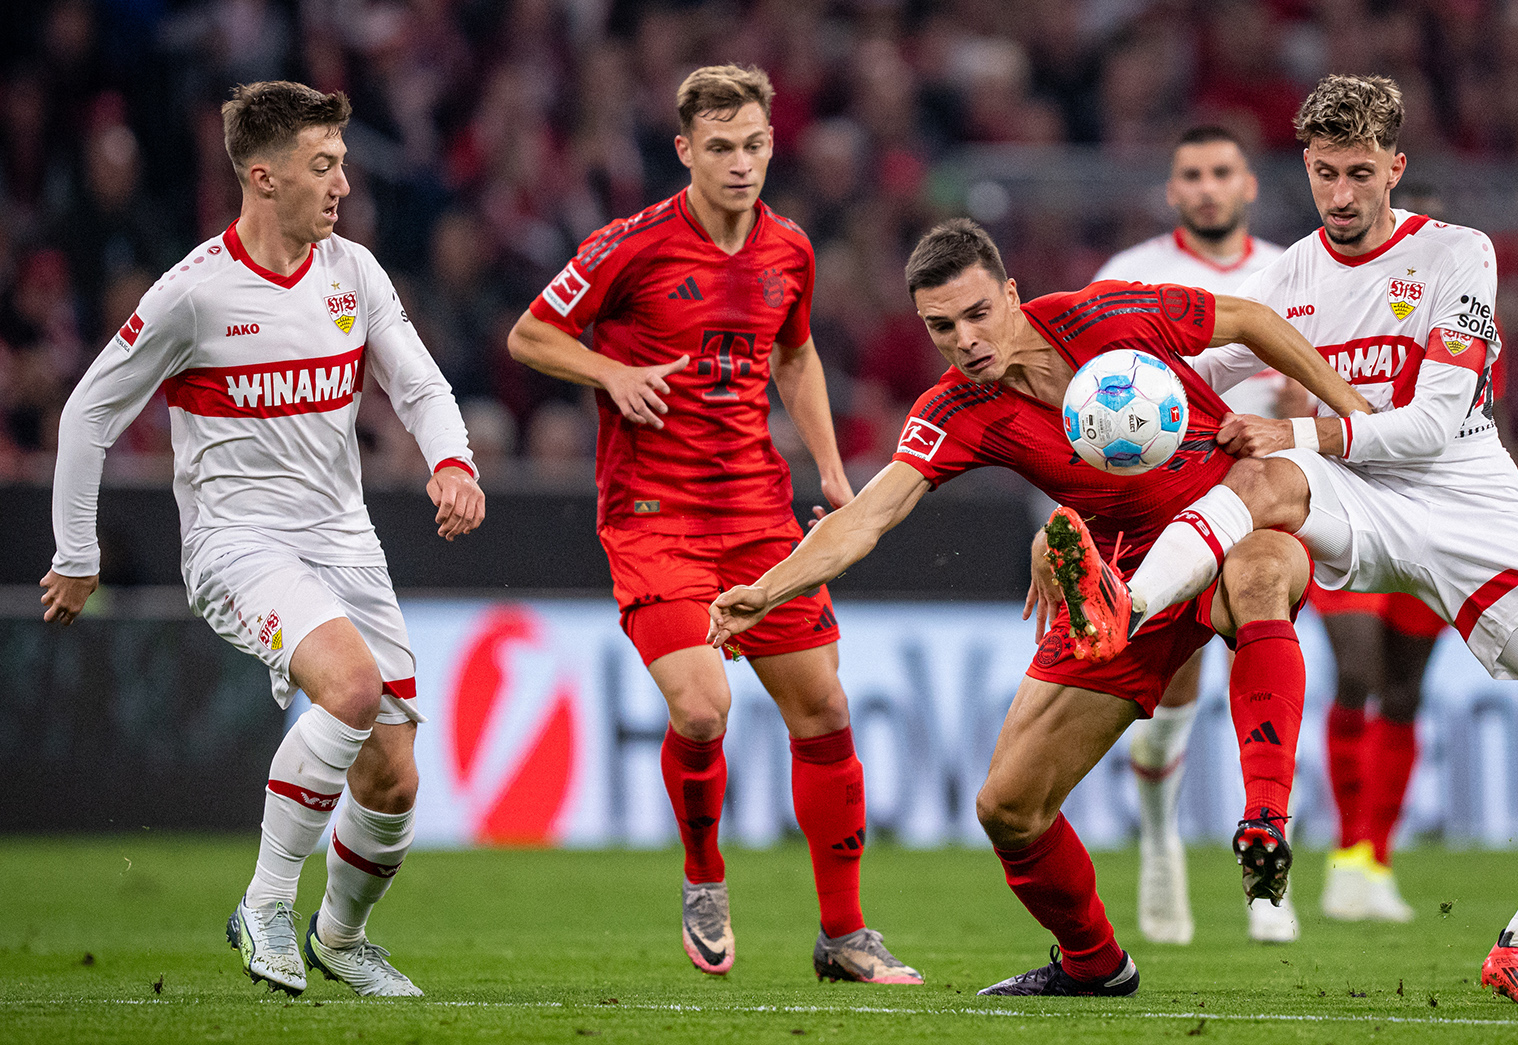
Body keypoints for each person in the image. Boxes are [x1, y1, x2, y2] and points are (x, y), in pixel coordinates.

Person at [1065, 75, 1518, 1007]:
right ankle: (1126, 605)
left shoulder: (1456, 255)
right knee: (1260, 485)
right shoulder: (1289, 277)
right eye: (1322, 175)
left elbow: (1431, 425)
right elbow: (1199, 366)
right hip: (1353, 495)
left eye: (1358, 174)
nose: (1341, 196)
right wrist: (1090, 375)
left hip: (1468, 508)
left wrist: (1293, 429)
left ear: (1396, 167)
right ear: (1304, 170)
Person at [711, 218, 1372, 996]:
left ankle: (1264, 817)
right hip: (1119, 583)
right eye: (942, 326)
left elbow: (1255, 321)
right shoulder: (956, 409)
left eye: (978, 313)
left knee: (1263, 570)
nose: (965, 339)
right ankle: (1094, 964)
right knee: (1007, 809)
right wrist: (770, 587)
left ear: (1012, 294)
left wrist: (1352, 423)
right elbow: (868, 516)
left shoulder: (1106, 316)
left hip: (1237, 518)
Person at [41, 81, 485, 997]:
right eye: (323, 168)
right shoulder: (195, 295)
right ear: (263, 176)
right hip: (236, 543)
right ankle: (266, 907)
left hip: (344, 540)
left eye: (343, 166)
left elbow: (420, 384)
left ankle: (339, 936)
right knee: (353, 687)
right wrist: (76, 553)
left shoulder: (353, 274)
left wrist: (453, 461)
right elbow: (87, 412)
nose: (342, 186)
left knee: (395, 778)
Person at [504, 65, 918, 985]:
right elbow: (529, 334)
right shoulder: (629, 245)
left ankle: (845, 935)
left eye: (755, 146)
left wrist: (834, 470)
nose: (740, 164)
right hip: (652, 518)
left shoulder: (791, 251)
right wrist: (609, 375)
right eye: (721, 148)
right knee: (701, 706)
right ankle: (703, 874)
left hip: (759, 513)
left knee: (826, 708)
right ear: (686, 150)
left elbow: (798, 355)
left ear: (774, 144)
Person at [1085, 124, 1295, 945]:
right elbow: (1085, 409)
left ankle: (1271, 862)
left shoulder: (1289, 273)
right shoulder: (1127, 277)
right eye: (1192, 175)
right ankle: (1160, 839)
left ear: (1248, 185)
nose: (1208, 187)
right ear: (1173, 192)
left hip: (1267, 498)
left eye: (1222, 172)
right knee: (1173, 692)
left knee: (1265, 630)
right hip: (1156, 504)